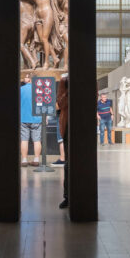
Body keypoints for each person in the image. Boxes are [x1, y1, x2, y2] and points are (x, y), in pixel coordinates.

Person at [19, 74, 42, 167]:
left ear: (30, 79)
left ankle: (24, 160)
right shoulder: (39, 90)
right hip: (37, 118)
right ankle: (36, 160)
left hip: (23, 118)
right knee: (37, 140)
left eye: (26, 77)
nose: (24, 78)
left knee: (24, 140)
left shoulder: (20, 89)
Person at [57, 72, 69, 209]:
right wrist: (67, 92)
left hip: (83, 126)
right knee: (69, 164)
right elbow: (60, 103)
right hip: (68, 126)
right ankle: (67, 196)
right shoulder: (64, 81)